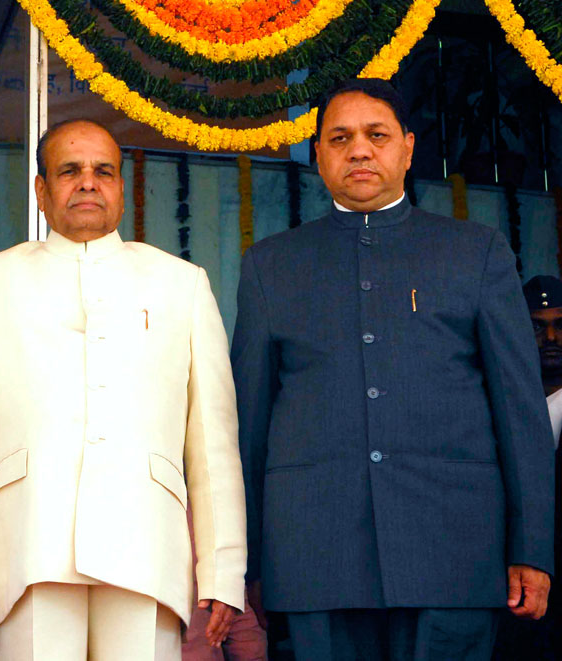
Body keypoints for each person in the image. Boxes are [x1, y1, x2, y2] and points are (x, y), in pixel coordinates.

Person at [231, 79, 555, 661]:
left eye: (375, 135)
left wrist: (532, 547)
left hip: (453, 551)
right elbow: (248, 428)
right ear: (319, 156)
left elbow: (521, 413)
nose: (359, 150)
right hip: (316, 556)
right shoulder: (270, 267)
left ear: (406, 148)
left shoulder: (475, 252)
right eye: (340, 138)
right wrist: (247, 563)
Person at [0, 119, 247, 661]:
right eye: (69, 171)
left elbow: (213, 445)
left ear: (122, 189)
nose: (87, 183)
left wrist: (223, 570)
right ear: (41, 189)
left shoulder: (181, 284)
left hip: (145, 546)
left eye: (103, 171)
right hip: (28, 547)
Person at [492, 275, 562, 659]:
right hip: (514, 606)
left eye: (560, 325)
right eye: (537, 326)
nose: (550, 339)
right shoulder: (489, 410)